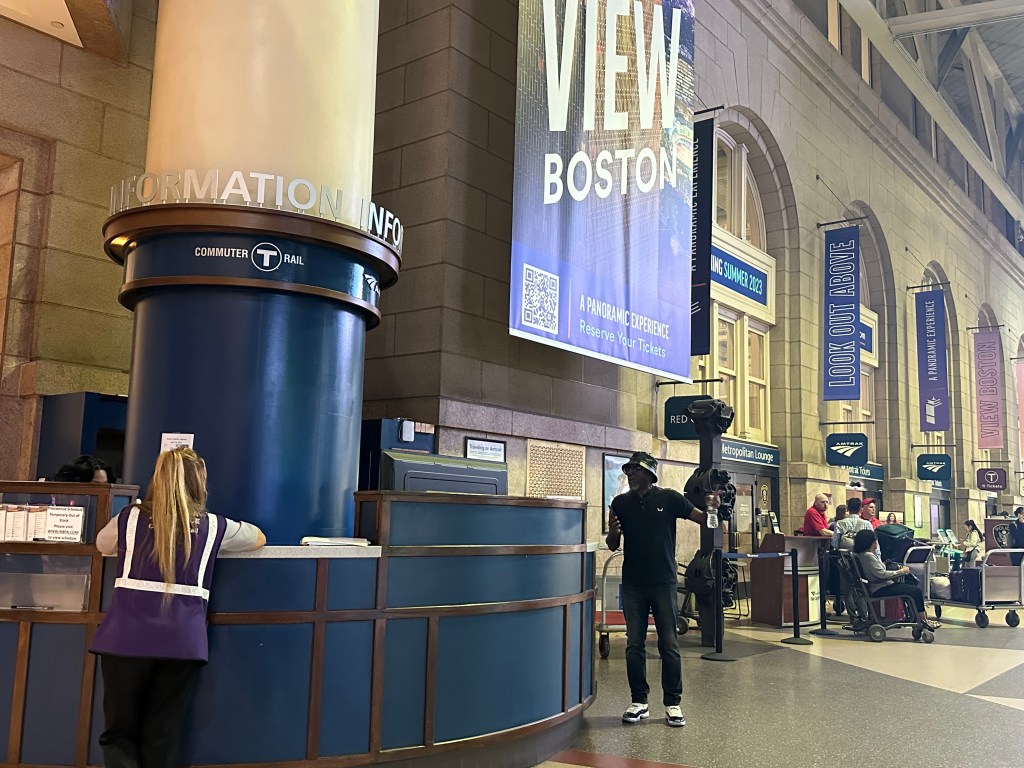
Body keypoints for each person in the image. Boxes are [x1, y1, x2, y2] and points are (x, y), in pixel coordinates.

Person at [90, 447, 266, 767]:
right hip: (181, 643)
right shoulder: (213, 526)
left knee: (119, 733)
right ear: (199, 482)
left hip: (125, 639)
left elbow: (102, 546)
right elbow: (257, 538)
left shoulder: (129, 518)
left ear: (158, 479)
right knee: (162, 734)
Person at [606, 451, 707, 728]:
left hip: (663, 582)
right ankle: (639, 702)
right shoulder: (619, 503)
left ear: (650, 474)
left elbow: (705, 521)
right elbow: (613, 544)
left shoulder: (670, 498)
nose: (631, 475)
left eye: (636, 470)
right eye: (628, 470)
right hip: (634, 585)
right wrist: (613, 530)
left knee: (669, 645)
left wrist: (714, 509)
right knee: (633, 645)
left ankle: (673, 703)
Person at [852, 529, 940, 630]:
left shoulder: (860, 555)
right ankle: (923, 621)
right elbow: (882, 574)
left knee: (910, 589)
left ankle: (919, 619)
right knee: (916, 591)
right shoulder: (868, 556)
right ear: (871, 542)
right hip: (880, 587)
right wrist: (901, 572)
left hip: (875, 586)